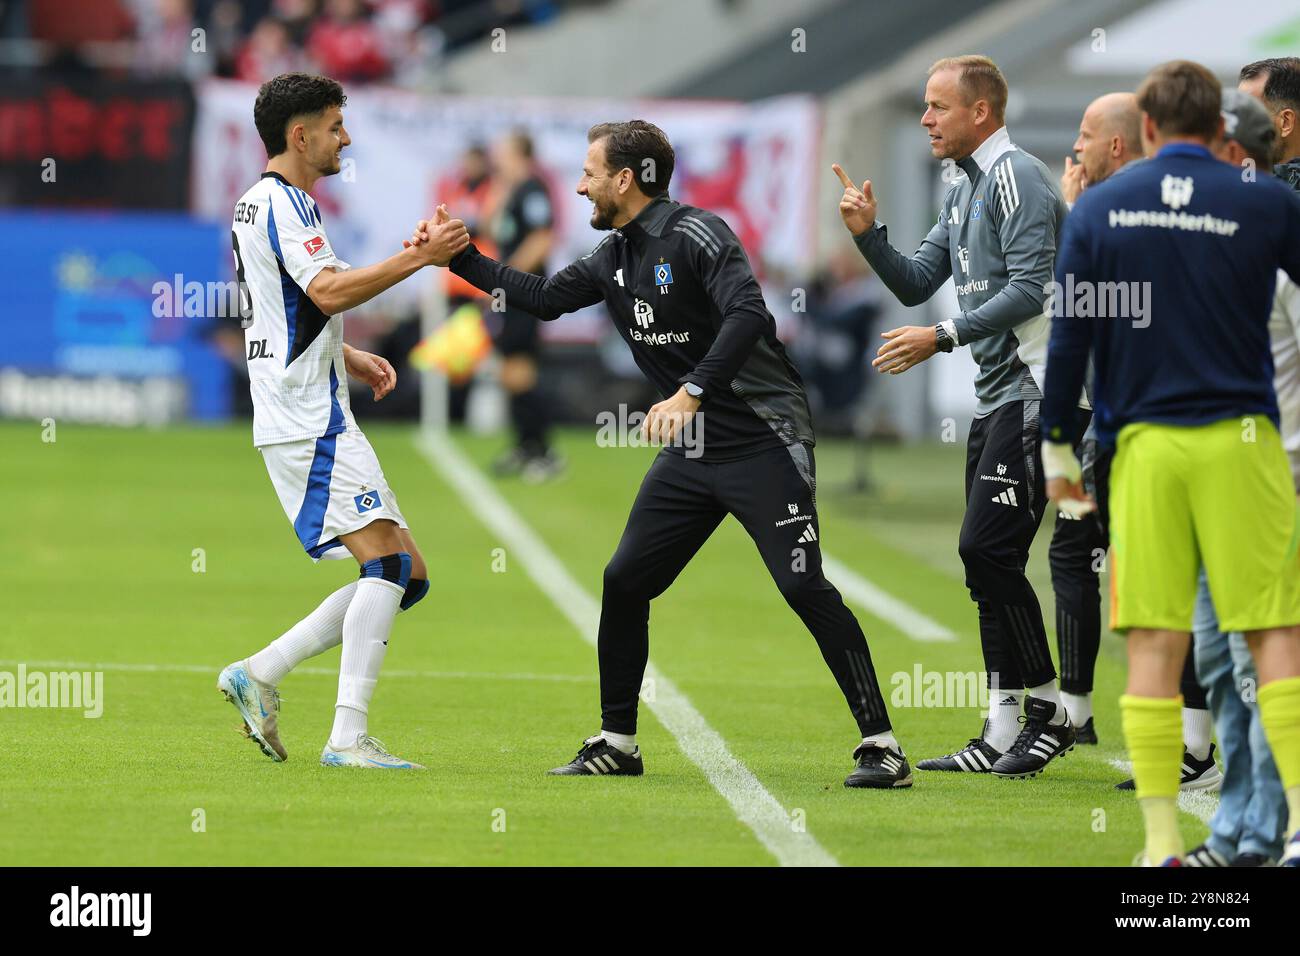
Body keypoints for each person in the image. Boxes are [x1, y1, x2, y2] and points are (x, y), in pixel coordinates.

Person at [410, 120, 912, 788]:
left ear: (626, 179)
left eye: (589, 171)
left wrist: (691, 392)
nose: (580, 184)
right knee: (625, 580)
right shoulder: (613, 254)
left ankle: (883, 747)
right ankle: (618, 741)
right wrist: (459, 256)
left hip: (764, 439)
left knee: (801, 586)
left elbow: (748, 317)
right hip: (695, 449)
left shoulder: (700, 233)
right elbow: (544, 299)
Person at [1040, 60, 1300, 866]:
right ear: (1221, 129)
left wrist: (1057, 445)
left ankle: (1159, 847)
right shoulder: (1267, 203)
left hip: (1146, 448)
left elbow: (1069, 337)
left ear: (1146, 129)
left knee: (1156, 645)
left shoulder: (1102, 206)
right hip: (1246, 443)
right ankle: (1296, 830)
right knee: (1276, 638)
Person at [835, 55, 1080, 778]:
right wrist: (867, 234)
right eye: (924, 105)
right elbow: (916, 283)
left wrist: (942, 337)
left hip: (1041, 389)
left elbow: (1033, 289)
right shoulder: (962, 187)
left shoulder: (1017, 177)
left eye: (939, 106)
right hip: (999, 393)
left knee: (984, 549)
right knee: (985, 566)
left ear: (981, 112)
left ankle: (1049, 707)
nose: (925, 118)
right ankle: (1001, 727)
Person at [217, 72, 470, 770]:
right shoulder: (285, 205)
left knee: (405, 574)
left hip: (308, 405)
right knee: (387, 564)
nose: (345, 138)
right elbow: (325, 289)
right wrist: (420, 257)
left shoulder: (257, 204)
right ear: (299, 136)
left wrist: (346, 353)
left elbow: (279, 310)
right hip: (307, 417)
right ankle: (347, 738)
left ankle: (260, 672)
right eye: (334, 126)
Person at [1054, 92, 1220, 789]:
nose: (1076, 150)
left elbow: (1076, 317)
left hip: (1139, 425)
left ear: (1129, 140)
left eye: (1086, 136)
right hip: (1201, 427)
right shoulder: (1230, 203)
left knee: (1164, 591)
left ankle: (1194, 749)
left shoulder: (1107, 208)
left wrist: (1056, 436)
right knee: (1192, 590)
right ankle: (1195, 743)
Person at [1183, 83, 1297, 867]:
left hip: (1276, 479)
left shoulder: (1281, 236)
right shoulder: (1203, 237)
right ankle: (1238, 827)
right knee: (1219, 660)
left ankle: (1267, 830)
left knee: (1266, 657)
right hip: (1213, 477)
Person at [488, 131, 563, 482]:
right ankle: (524, 445)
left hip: (524, 293)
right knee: (509, 369)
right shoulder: (512, 190)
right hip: (508, 295)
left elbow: (542, 237)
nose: (496, 156)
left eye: (503, 150)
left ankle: (544, 451)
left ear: (520, 154)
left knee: (521, 368)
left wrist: (510, 278)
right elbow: (491, 228)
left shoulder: (534, 190)